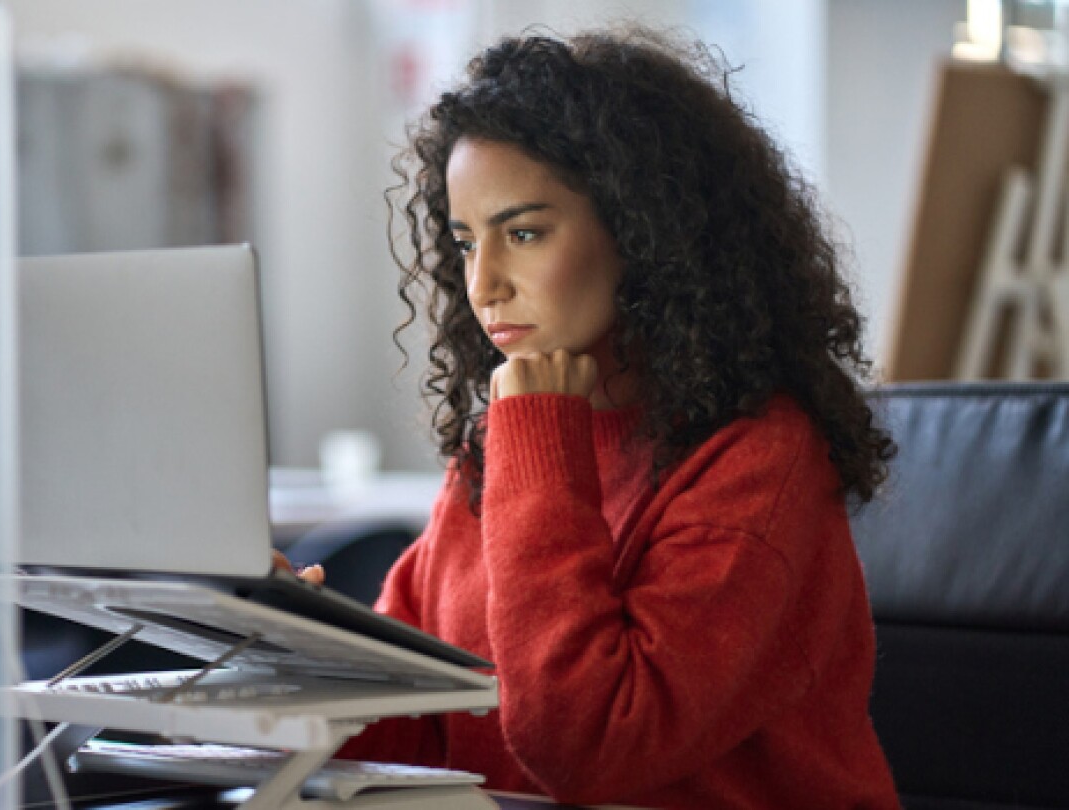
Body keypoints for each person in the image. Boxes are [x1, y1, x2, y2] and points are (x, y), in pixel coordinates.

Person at [323, 26, 902, 809]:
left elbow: (588, 744)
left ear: (642, 233)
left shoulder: (762, 459)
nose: (483, 283)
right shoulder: (502, 447)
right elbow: (419, 729)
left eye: (523, 233)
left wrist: (537, 443)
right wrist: (286, 666)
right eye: (465, 243)